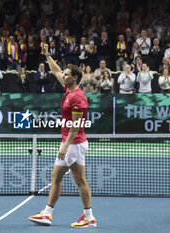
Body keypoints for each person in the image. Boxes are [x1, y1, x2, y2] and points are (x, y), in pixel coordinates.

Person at [29, 44, 96, 228]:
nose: (63, 76)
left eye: (67, 75)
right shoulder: (69, 90)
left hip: (74, 144)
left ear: (75, 78)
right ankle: (47, 214)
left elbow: (75, 126)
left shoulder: (78, 98)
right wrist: (47, 55)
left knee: (80, 180)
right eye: (64, 74)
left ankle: (89, 217)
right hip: (69, 143)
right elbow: (56, 70)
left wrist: (65, 146)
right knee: (56, 177)